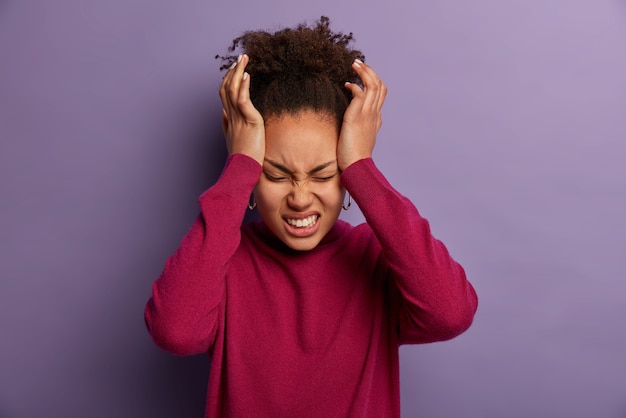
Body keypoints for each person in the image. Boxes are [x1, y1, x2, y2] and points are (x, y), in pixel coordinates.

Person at [145, 16, 478, 417]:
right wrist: (239, 168)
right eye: (274, 173)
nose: (300, 199)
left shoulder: (374, 258)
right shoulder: (221, 261)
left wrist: (361, 167)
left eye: (324, 174)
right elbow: (175, 332)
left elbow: (450, 314)